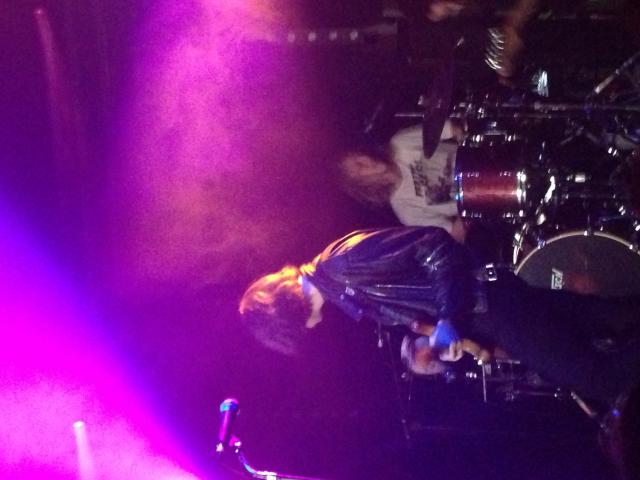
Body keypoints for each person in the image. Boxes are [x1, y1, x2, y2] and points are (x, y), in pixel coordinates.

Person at [239, 226, 640, 408]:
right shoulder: (342, 286)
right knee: (605, 316)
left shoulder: (344, 264)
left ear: (287, 315)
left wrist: (449, 317)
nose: (309, 332)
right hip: (489, 305)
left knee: (598, 378)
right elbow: (422, 292)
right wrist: (445, 333)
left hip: (493, 304)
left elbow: (433, 245)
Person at [339, 120, 467, 242]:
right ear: (364, 185)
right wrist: (470, 210)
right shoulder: (405, 209)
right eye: (359, 166)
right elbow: (455, 233)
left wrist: (462, 134)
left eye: (360, 155)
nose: (366, 159)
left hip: (473, 158)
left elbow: (452, 128)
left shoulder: (401, 144)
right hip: (474, 199)